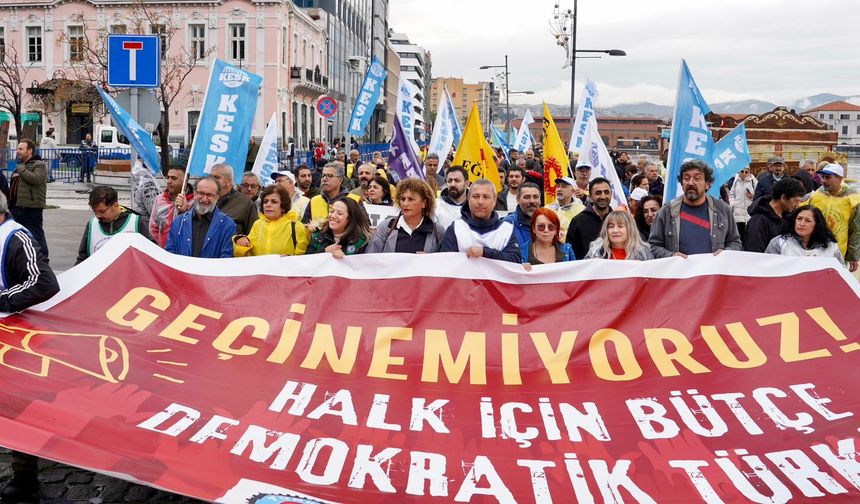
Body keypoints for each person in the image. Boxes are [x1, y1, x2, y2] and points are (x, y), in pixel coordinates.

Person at [0, 190, 60, 502]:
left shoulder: (16, 238)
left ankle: (25, 474)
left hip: (15, 336)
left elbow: (44, 283)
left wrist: (3, 300)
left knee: (16, 405)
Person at [650, 159, 742, 258]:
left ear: (707, 184)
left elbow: (735, 243)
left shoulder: (723, 210)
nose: (690, 183)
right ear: (681, 183)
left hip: (712, 272)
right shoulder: (667, 211)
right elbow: (654, 246)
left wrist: (725, 252)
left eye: (697, 178)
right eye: (686, 178)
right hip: (679, 272)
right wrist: (671, 256)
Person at [440, 178, 520, 263]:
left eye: (486, 197)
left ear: (494, 200)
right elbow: (446, 264)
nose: (480, 202)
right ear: (468, 198)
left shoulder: (507, 230)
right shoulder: (456, 229)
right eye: (476, 196)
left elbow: (515, 262)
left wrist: (486, 252)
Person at [76, 186, 151, 264]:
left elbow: (151, 256)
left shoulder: (137, 223)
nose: (98, 216)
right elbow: (83, 258)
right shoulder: (92, 224)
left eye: (102, 211)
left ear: (115, 205)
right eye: (95, 211)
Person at [806, 163, 860, 272]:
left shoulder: (852, 199)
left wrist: (853, 256)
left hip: (839, 251)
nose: (824, 181)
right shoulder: (816, 196)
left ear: (840, 179)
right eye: (823, 177)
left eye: (828, 177)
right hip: (814, 249)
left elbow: (856, 230)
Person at [368, 179, 445, 253]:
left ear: (424, 203)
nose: (405, 204)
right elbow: (371, 258)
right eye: (402, 199)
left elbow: (445, 262)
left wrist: (429, 260)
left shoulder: (437, 231)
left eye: (411, 199)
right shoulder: (386, 227)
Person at [166, 177, 236, 258]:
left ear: (217, 197)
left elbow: (226, 258)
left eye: (210, 195)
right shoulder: (178, 222)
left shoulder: (227, 225)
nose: (204, 198)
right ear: (194, 193)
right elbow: (170, 255)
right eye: (201, 193)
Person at [233, 184, 308, 257]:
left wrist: (290, 259)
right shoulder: (257, 224)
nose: (268, 205)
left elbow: (303, 259)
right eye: (265, 201)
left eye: (274, 201)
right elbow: (248, 255)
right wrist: (240, 240)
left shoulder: (296, 227)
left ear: (283, 206)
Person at [10, 139, 49, 260]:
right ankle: (24, 259)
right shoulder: (20, 167)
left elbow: (36, 179)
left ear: (30, 150)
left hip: (31, 208)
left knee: (36, 236)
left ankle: (43, 260)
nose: (18, 151)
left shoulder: (39, 165)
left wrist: (21, 168)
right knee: (18, 237)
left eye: (21, 149)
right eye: (17, 149)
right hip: (17, 207)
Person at [744, 178, 805, 253]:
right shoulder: (758, 221)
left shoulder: (788, 217)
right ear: (783, 198)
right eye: (796, 201)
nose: (797, 205)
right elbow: (754, 252)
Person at [765, 207, 844, 264]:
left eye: (807, 221)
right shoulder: (779, 242)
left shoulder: (830, 247)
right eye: (799, 219)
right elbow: (768, 268)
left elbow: (841, 273)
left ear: (816, 225)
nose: (802, 224)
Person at [565, 177, 613, 260]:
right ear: (590, 197)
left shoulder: (619, 220)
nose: (603, 196)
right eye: (598, 193)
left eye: (606, 192)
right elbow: (571, 254)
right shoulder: (578, 221)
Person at [306, 197, 371, 257]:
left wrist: (344, 259)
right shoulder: (316, 237)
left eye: (339, 213)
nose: (333, 216)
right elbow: (306, 263)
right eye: (332, 211)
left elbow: (364, 267)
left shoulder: (361, 242)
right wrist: (324, 251)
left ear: (350, 218)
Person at [149, 165, 193, 248]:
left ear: (185, 180)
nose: (169, 181)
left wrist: (184, 211)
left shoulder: (194, 201)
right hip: (163, 251)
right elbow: (153, 227)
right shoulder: (160, 199)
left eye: (174, 178)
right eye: (168, 177)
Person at [210, 164, 258, 235]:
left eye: (216, 177)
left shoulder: (246, 204)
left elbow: (253, 235)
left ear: (228, 181)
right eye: (210, 177)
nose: (211, 180)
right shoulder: (204, 199)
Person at [585, 210, 653, 260]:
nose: (615, 230)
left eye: (620, 226)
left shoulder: (643, 253)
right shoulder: (596, 252)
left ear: (630, 229)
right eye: (611, 227)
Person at [503, 182, 542, 260]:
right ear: (518, 200)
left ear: (540, 200)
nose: (532, 201)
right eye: (527, 197)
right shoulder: (507, 225)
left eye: (535, 197)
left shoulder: (548, 224)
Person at [435, 165, 469, 230]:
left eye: (457, 180)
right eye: (449, 181)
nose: (452, 184)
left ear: (466, 184)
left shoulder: (475, 206)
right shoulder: (436, 206)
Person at [729, 167, 758, 241]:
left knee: (749, 235)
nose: (744, 173)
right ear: (739, 172)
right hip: (738, 212)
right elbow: (731, 194)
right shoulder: (736, 181)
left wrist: (752, 196)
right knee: (739, 235)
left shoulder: (753, 181)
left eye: (746, 172)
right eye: (742, 171)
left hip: (749, 212)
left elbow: (758, 196)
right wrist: (733, 204)